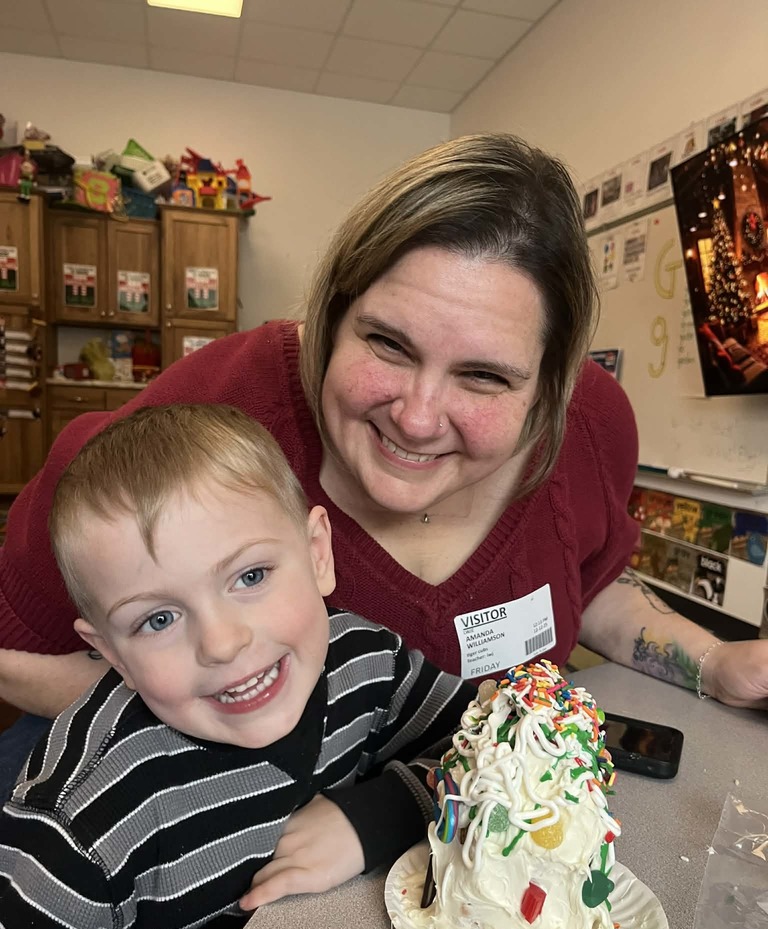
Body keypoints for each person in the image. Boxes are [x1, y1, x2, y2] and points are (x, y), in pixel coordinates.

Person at [0, 131, 765, 794]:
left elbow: (591, 583)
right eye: (387, 344)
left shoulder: (592, 425)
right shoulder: (219, 409)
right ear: (330, 317)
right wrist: (242, 723)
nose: (417, 417)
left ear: (552, 386)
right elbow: (16, 645)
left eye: (485, 377)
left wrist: (712, 662)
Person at [0, 404, 476, 929]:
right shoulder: (74, 834)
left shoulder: (364, 663)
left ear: (317, 555)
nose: (222, 643)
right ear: (110, 653)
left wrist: (377, 816)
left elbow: (492, 741)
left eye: (250, 575)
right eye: (158, 619)